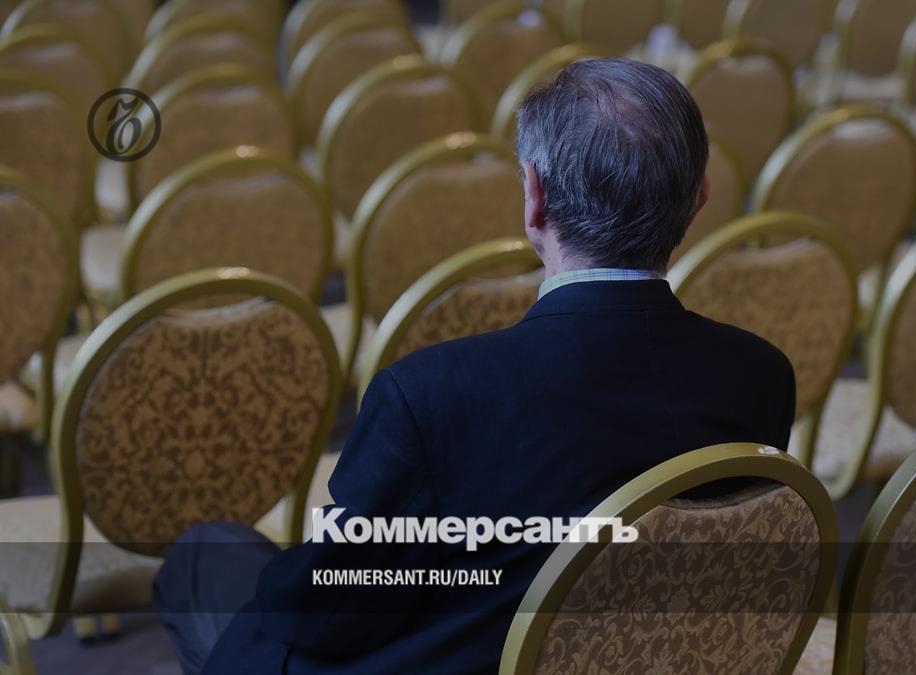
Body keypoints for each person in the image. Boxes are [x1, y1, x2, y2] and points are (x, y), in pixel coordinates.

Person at [153, 58, 796, 675]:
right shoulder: (760, 376)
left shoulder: (432, 396)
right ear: (700, 197)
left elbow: (332, 613)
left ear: (534, 198)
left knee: (203, 558)